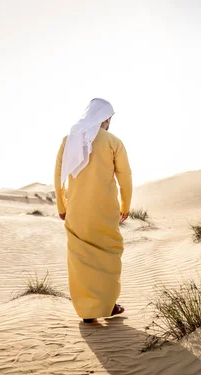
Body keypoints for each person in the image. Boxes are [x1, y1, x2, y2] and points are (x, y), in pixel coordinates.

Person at [54, 98, 132, 323]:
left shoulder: (68, 141)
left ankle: (86, 309)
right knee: (109, 255)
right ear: (106, 118)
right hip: (105, 211)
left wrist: (61, 206)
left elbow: (58, 177)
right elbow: (124, 177)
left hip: (76, 210)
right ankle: (108, 305)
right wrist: (126, 205)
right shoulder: (113, 142)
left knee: (80, 259)